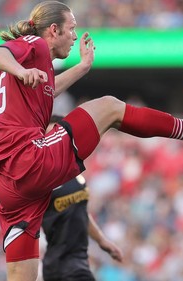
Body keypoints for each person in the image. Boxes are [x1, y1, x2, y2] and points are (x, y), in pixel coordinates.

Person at [0, 1, 183, 281]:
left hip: (5, 181)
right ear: (53, 30)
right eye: (71, 28)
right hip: (25, 160)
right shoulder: (35, 45)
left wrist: (83, 67)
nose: (75, 36)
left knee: (19, 274)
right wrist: (19, 70)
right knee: (110, 107)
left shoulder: (37, 66)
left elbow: (48, 91)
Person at [41, 115, 123, 281]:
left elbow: (80, 211)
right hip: (61, 263)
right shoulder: (40, 181)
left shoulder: (74, 174)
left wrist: (101, 241)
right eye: (48, 138)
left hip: (77, 261)